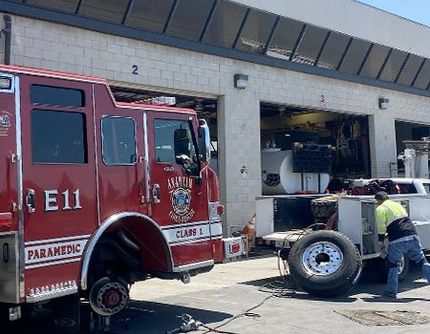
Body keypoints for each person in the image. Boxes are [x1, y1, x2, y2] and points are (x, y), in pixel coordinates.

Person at [375, 191, 430, 298]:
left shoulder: (380, 208)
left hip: (397, 240)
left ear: (378, 200)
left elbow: (381, 227)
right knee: (422, 260)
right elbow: (401, 221)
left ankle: (391, 291)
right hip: (412, 235)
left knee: (393, 265)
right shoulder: (397, 205)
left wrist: (381, 240)